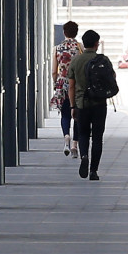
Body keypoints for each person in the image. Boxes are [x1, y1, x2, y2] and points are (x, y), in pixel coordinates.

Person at [67, 29, 106, 181]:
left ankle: (84, 155)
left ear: (83, 44)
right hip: (99, 104)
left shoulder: (76, 61)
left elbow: (71, 86)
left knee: (83, 134)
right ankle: (94, 171)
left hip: (81, 104)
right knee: (97, 137)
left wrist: (72, 106)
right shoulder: (103, 60)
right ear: (97, 44)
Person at [50, 20, 81, 158]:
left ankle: (66, 136)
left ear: (64, 32)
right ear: (76, 32)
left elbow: (53, 71)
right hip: (77, 84)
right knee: (78, 115)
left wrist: (56, 82)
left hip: (62, 84)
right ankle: (75, 144)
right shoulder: (79, 47)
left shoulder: (57, 48)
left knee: (65, 114)